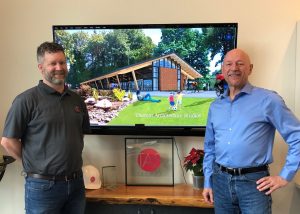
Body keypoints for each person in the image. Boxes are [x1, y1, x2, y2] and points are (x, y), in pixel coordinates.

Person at [202, 48, 300, 213]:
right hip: (220, 182)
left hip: (253, 184)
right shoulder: (215, 106)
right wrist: (207, 182)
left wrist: (285, 176)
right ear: (223, 70)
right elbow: (210, 147)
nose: (234, 68)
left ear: (250, 68)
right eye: (229, 64)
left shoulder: (268, 100)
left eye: (240, 64)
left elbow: (297, 136)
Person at [1, 42, 90, 214]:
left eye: (62, 62)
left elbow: (79, 135)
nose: (59, 67)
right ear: (41, 67)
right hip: (43, 188)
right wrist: (32, 164)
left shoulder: (76, 100)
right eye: (53, 63)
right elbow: (8, 141)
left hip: (76, 184)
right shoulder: (25, 100)